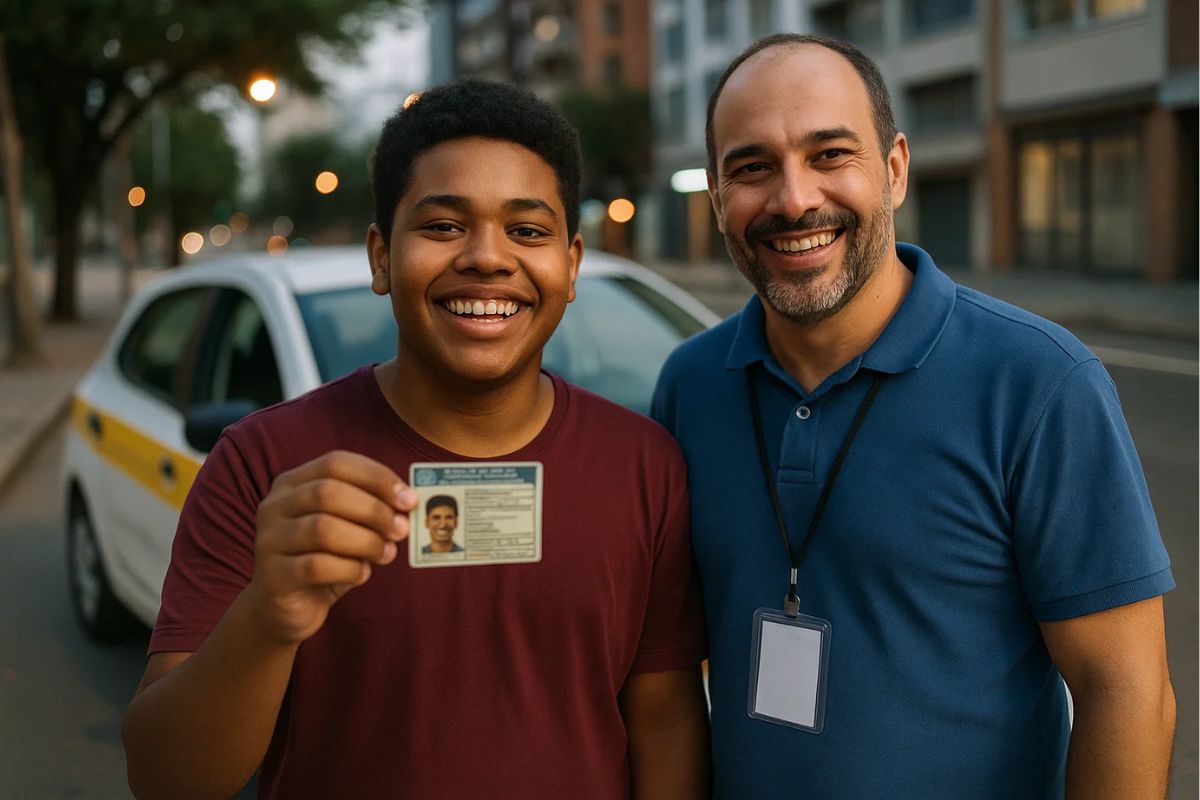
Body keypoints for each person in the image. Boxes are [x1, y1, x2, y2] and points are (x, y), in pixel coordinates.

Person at [123, 79, 709, 799]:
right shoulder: (264, 464)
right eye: (444, 226)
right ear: (380, 256)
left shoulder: (645, 466)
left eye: (528, 231)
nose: (488, 258)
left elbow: (665, 722)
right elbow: (165, 779)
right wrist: (269, 614)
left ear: (572, 265)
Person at [652, 33, 1175, 799]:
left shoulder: (1038, 380)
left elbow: (1126, 691)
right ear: (717, 198)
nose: (793, 200)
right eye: (752, 167)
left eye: (830, 154)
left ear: (894, 170)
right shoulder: (689, 384)